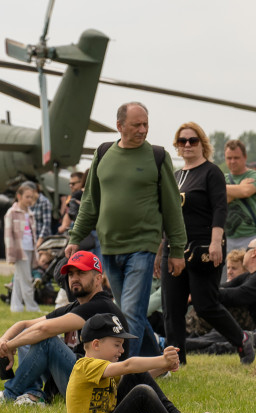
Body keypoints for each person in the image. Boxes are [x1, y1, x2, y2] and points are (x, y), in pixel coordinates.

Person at [0, 251, 187, 411]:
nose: (74, 278)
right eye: (71, 274)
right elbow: (24, 324)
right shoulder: (76, 306)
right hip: (79, 378)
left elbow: (45, 329)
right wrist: (3, 344)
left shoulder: (100, 306)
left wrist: (9, 346)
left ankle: (10, 395)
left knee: (45, 338)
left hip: (94, 386)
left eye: (81, 273)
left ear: (98, 278)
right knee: (30, 336)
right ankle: (33, 395)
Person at [67, 101, 187, 358]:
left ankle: (124, 372)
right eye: (136, 125)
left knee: (130, 313)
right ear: (120, 126)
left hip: (142, 248)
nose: (143, 129)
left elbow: (172, 206)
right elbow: (90, 201)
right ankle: (157, 360)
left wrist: (176, 248)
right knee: (126, 311)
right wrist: (76, 236)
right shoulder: (103, 153)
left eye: (145, 124)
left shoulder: (158, 156)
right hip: (109, 247)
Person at [161, 123, 253, 366]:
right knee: (172, 307)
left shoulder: (211, 172)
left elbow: (220, 207)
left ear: (202, 143)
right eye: (183, 141)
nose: (188, 145)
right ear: (177, 146)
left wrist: (215, 242)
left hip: (204, 248)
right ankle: (176, 361)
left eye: (193, 140)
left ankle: (241, 339)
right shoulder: (175, 176)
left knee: (204, 304)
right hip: (175, 247)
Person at [67, 313, 211, 413]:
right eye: (117, 345)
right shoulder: (85, 366)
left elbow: (138, 376)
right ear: (96, 344)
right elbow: (128, 365)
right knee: (142, 392)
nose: (122, 350)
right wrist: (162, 360)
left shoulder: (103, 369)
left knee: (134, 375)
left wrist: (163, 368)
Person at [4, 183, 41, 313]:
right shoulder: (11, 213)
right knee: (26, 279)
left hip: (30, 248)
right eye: (27, 197)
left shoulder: (30, 213)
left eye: (31, 197)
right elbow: (8, 235)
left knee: (19, 278)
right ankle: (31, 307)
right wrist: (11, 254)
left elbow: (33, 234)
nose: (30, 200)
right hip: (20, 250)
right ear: (19, 196)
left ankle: (16, 307)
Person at [223, 139, 256, 252]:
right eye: (229, 158)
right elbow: (218, 200)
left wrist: (221, 189)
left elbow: (245, 192)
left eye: (236, 158)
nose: (232, 161)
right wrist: (238, 189)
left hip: (250, 236)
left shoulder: (255, 176)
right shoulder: (222, 178)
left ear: (245, 157)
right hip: (226, 238)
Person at [30, 183, 54, 249]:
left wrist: (40, 239)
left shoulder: (44, 201)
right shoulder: (28, 203)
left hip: (43, 239)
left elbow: (47, 223)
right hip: (31, 239)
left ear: (34, 191)